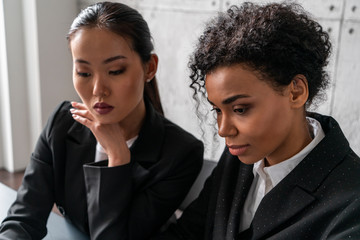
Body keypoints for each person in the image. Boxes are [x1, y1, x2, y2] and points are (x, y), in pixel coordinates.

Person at [155, 2, 360, 239]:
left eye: (240, 109)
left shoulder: (351, 203)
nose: (223, 130)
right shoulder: (237, 160)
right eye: (217, 110)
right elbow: (187, 233)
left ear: (295, 92)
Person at [0, 2, 204, 239]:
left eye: (115, 71)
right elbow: (23, 219)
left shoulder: (180, 153)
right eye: (84, 73)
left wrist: (117, 157)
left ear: (149, 67)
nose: (98, 89)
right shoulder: (62, 124)